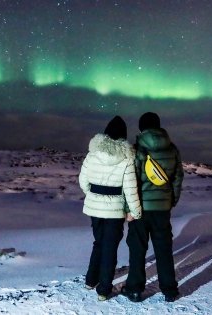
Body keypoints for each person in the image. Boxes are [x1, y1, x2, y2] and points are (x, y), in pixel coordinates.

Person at [121, 112, 184, 303]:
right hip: (162, 209)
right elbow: (177, 178)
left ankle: (134, 289)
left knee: (137, 249)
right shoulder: (172, 149)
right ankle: (170, 290)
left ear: (142, 128)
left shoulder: (137, 149)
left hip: (140, 209)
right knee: (164, 249)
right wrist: (171, 201)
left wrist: (128, 208)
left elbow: (130, 181)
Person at [78, 116, 142, 301]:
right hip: (115, 211)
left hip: (94, 208)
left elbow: (83, 180)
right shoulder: (127, 158)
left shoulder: (92, 154)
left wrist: (93, 195)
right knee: (110, 247)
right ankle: (104, 290)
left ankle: (90, 280)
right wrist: (135, 211)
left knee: (98, 242)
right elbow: (130, 189)